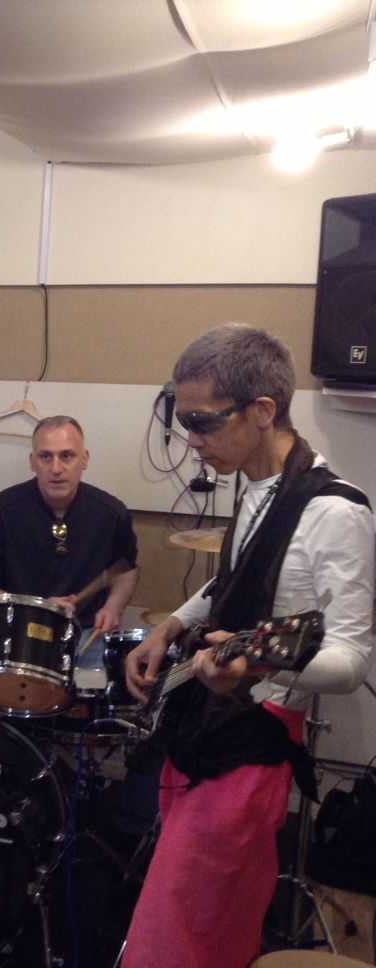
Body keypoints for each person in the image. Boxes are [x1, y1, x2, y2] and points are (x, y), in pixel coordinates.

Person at [123, 324, 374, 968]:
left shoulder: (336, 513)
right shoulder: (260, 486)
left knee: (172, 935)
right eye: (184, 421)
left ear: (262, 411)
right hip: (207, 724)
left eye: (203, 422)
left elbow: (350, 661)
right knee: (214, 925)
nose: (192, 440)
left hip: (253, 744)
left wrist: (252, 662)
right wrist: (170, 627)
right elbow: (231, 581)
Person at [0, 414, 140, 635]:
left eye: (67, 456)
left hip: (86, 631)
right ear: (33, 462)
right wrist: (35, 610)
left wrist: (113, 608)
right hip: (17, 631)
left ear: (84, 459)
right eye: (45, 456)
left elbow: (125, 570)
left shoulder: (112, 513)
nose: (56, 468)